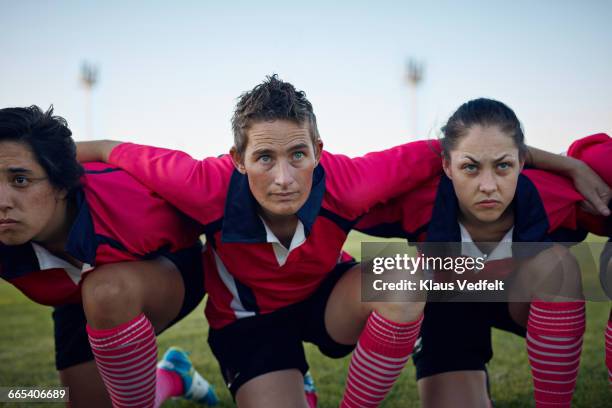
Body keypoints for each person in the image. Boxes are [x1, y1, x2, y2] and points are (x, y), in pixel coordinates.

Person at [76, 76, 609, 407]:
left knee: (403, 278)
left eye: (298, 155)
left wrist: (563, 163)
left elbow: (467, 145)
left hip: (326, 301)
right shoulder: (200, 183)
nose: (284, 176)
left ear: (319, 150)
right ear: (238, 159)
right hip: (247, 323)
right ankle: (191, 380)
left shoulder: (351, 179)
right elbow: (103, 145)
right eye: (264, 157)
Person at [356, 99, 612, 407]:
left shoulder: (554, 193)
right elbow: (336, 198)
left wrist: (575, 166)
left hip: (520, 297)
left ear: (522, 162)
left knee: (558, 265)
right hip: (448, 304)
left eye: (503, 166)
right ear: (447, 166)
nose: (488, 185)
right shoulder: (417, 200)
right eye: (470, 167)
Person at [0, 106, 218, 408]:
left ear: (61, 184)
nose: (2, 201)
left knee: (106, 291)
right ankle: (172, 377)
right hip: (74, 299)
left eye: (20, 180)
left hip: (168, 268)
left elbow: (214, 209)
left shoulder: (130, 199)